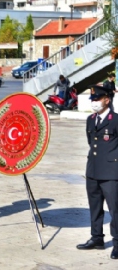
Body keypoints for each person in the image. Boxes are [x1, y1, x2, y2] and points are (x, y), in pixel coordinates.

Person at [76, 85, 118, 260]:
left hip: (110, 172)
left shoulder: (115, 120)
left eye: (97, 99)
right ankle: (97, 238)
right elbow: (90, 142)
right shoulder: (90, 119)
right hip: (93, 169)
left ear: (107, 100)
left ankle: (117, 243)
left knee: (115, 209)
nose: (94, 102)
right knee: (94, 208)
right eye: (92, 100)